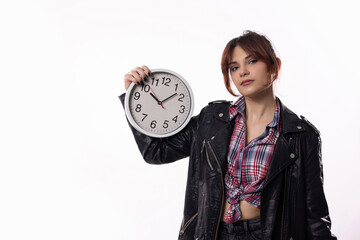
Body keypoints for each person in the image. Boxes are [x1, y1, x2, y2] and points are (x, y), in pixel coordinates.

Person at [119, 30, 337, 240]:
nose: (242, 71)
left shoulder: (300, 135)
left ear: (274, 66)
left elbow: (315, 217)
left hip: (265, 233)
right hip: (212, 232)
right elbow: (156, 152)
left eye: (252, 61)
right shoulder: (211, 120)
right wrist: (133, 98)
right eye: (234, 67)